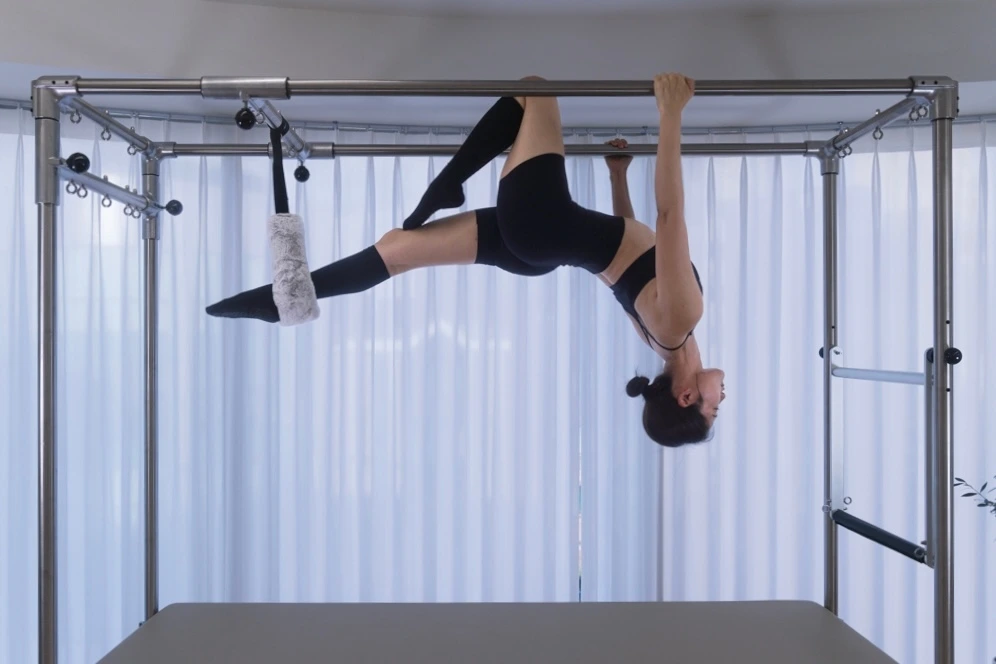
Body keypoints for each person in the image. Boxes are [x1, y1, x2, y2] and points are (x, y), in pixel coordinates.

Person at [206, 72, 726, 447]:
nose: (722, 396)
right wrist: (617, 176)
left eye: (714, 407)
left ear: (686, 398)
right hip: (540, 247)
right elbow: (628, 249)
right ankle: (284, 302)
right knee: (396, 252)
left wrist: (671, 114)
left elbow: (669, 215)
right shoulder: (663, 338)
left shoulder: (681, 320)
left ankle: (449, 182)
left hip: (544, 225)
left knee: (536, 89)